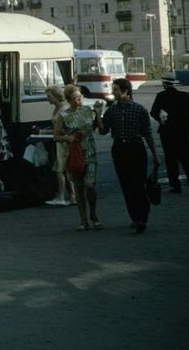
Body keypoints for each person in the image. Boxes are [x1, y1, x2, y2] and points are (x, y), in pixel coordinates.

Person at [97, 78, 161, 233]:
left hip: (136, 148)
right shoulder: (112, 110)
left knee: (139, 184)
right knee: (126, 185)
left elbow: (147, 134)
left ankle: (142, 218)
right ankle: (134, 217)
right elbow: (103, 130)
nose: (113, 92)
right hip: (119, 148)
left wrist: (155, 154)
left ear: (125, 91)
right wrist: (98, 115)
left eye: (116, 89)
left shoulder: (139, 110)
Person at [54, 85, 103, 231]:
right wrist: (68, 138)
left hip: (90, 151)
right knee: (79, 187)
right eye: (76, 99)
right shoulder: (63, 116)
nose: (79, 101)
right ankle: (83, 220)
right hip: (75, 154)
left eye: (80, 97)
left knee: (90, 185)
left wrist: (99, 115)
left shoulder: (88, 111)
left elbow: (94, 128)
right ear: (69, 100)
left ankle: (93, 214)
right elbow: (56, 136)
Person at [150, 72, 189, 193]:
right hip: (183, 132)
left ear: (164, 83)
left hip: (167, 132)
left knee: (170, 159)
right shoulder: (185, 95)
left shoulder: (161, 96)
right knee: (186, 158)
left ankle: (175, 185)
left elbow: (153, 112)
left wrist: (162, 119)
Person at [44, 85, 74, 206]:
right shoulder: (58, 108)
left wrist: (45, 132)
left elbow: (62, 129)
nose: (48, 99)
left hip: (63, 142)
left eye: (49, 96)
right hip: (59, 141)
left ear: (56, 96)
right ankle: (72, 196)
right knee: (65, 170)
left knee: (59, 169)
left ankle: (61, 196)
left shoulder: (63, 109)